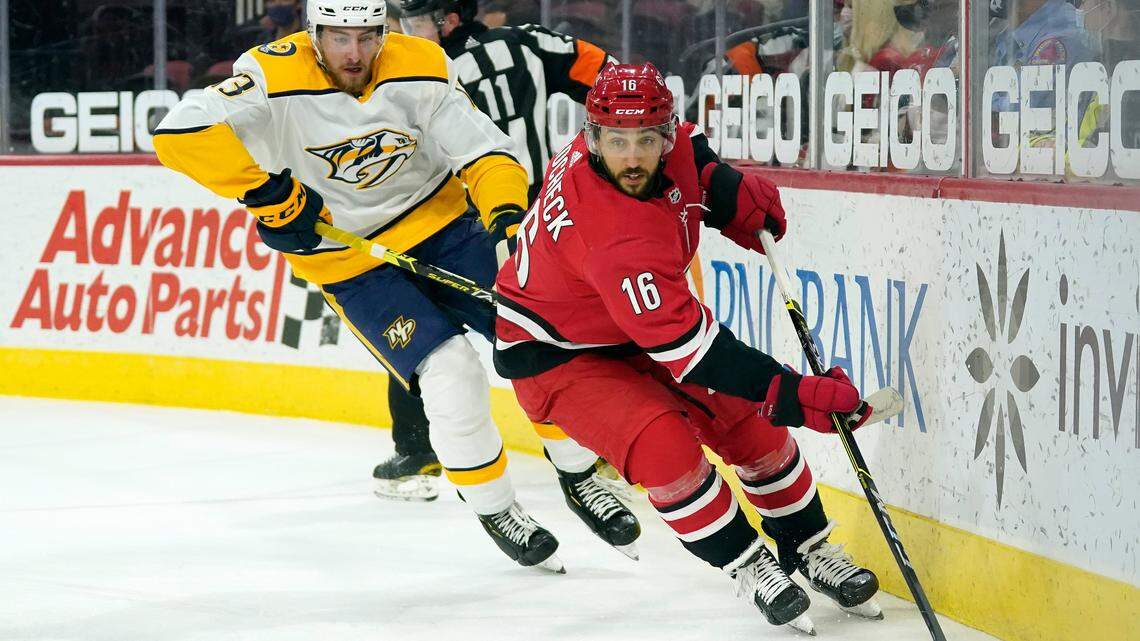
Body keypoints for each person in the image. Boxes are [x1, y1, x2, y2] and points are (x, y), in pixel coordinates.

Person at [151, 0, 637, 571]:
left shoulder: (421, 63)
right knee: (450, 371)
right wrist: (263, 192)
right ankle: (495, 505)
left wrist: (505, 216)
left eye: (367, 36)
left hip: (447, 228)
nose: (355, 53)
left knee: (537, 338)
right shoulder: (268, 72)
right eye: (340, 38)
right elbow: (179, 130)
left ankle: (579, 473)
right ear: (314, 34)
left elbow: (484, 151)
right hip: (348, 259)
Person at [493, 62, 882, 631]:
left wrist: (727, 193)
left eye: (646, 140)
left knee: (748, 422)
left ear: (665, 132)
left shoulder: (640, 139)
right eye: (618, 142)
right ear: (593, 137)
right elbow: (695, 353)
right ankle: (748, 563)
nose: (631, 157)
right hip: (555, 352)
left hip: (623, 323)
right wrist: (795, 393)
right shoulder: (615, 238)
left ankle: (808, 547)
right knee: (664, 446)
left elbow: (696, 161)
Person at [374, 0, 619, 502]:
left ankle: (417, 452)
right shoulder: (525, 42)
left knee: (420, 333)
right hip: (544, 216)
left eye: (414, 21)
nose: (402, 32)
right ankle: (607, 445)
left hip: (460, 226)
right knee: (557, 332)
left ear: (447, 21)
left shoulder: (418, 72)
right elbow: (609, 76)